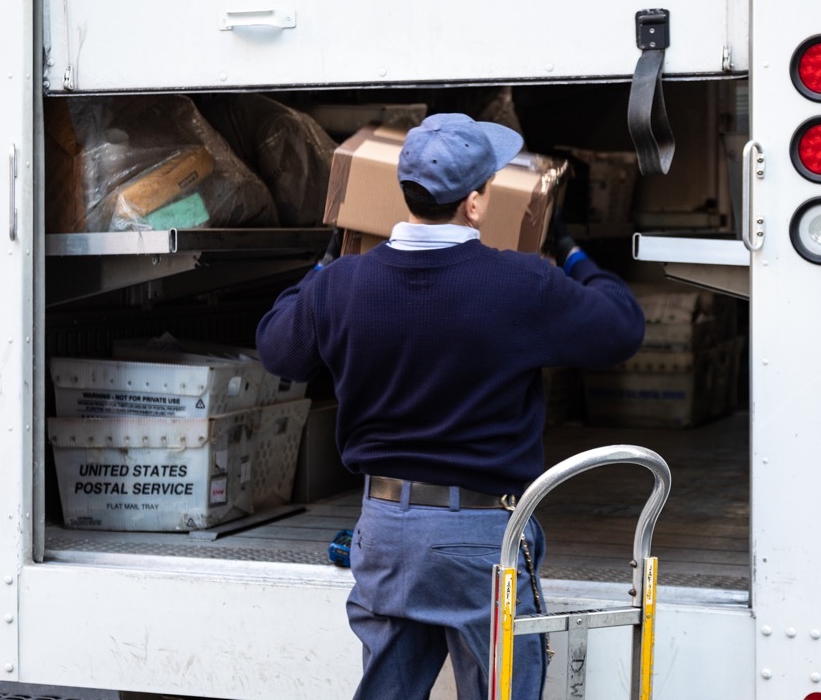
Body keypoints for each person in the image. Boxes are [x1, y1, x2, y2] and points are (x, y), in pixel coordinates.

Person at [256, 112, 645, 699]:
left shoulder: (343, 286)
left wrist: (325, 263)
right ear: (475, 202)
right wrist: (569, 252)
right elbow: (621, 328)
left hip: (384, 531)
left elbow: (276, 347)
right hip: (479, 537)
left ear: (405, 193)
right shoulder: (518, 283)